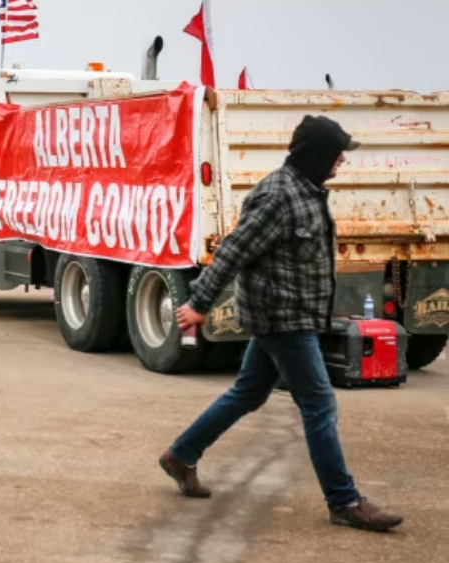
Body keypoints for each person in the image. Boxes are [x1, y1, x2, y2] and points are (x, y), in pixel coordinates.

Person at [159, 115, 403, 533]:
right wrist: (200, 302)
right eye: (337, 152)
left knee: (249, 392)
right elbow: (235, 249)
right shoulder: (278, 196)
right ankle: (344, 501)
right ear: (317, 154)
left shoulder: (305, 191)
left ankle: (182, 455)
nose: (342, 159)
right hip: (282, 318)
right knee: (319, 405)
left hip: (292, 314)